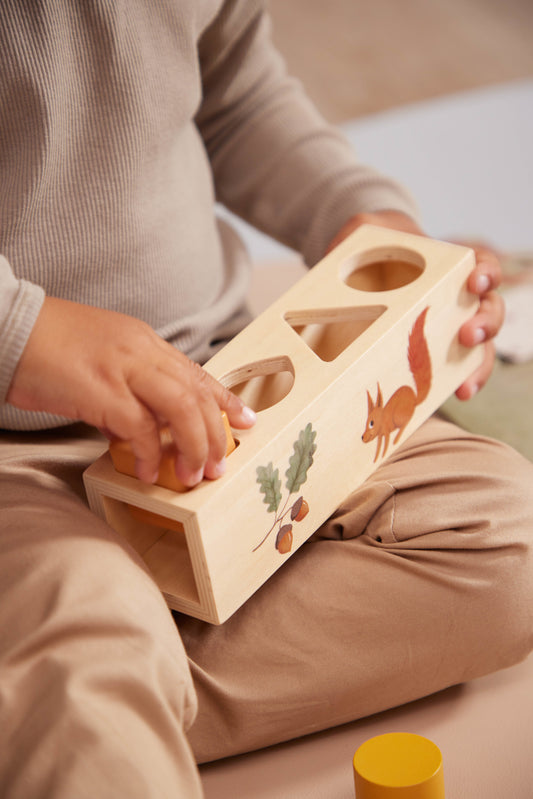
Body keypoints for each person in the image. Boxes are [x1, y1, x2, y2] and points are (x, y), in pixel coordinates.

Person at [0, 2, 531, 797]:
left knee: (501, 539)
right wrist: (23, 334)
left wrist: (356, 211)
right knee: (94, 613)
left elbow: (235, 89)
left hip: (221, 374)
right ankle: (83, 672)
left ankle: (75, 695)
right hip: (17, 447)